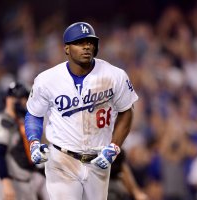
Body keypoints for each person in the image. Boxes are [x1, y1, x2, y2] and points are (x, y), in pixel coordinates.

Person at [25, 22, 139, 200]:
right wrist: (33, 141)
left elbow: (127, 111)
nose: (87, 46)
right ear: (67, 49)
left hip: (98, 159)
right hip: (62, 159)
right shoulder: (47, 79)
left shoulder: (114, 75)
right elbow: (34, 113)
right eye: (79, 42)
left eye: (90, 42)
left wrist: (114, 147)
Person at [0, 81, 48, 200]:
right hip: (7, 182)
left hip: (27, 182)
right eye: (19, 97)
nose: (23, 102)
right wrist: (5, 181)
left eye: (24, 98)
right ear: (8, 99)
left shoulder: (25, 124)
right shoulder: (2, 121)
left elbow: (39, 158)